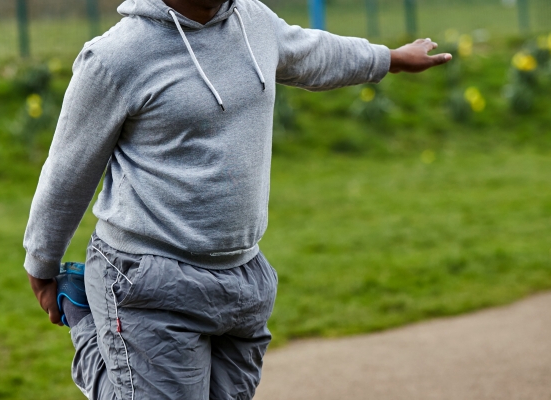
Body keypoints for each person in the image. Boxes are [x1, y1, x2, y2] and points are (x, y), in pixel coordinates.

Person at [23, 0, 451, 398]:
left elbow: (314, 53)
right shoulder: (115, 58)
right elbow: (68, 171)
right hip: (147, 278)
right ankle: (83, 318)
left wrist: (390, 59)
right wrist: (42, 263)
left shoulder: (255, 22)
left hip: (243, 278)